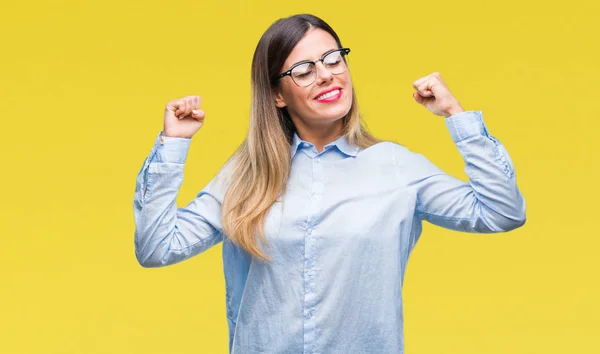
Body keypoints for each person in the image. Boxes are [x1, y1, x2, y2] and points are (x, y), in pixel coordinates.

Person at [133, 13, 526, 354]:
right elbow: (157, 248)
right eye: (303, 71)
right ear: (277, 95)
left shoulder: (395, 166)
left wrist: (456, 116)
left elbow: (501, 213)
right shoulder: (247, 175)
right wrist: (174, 144)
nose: (326, 75)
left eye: (333, 59)